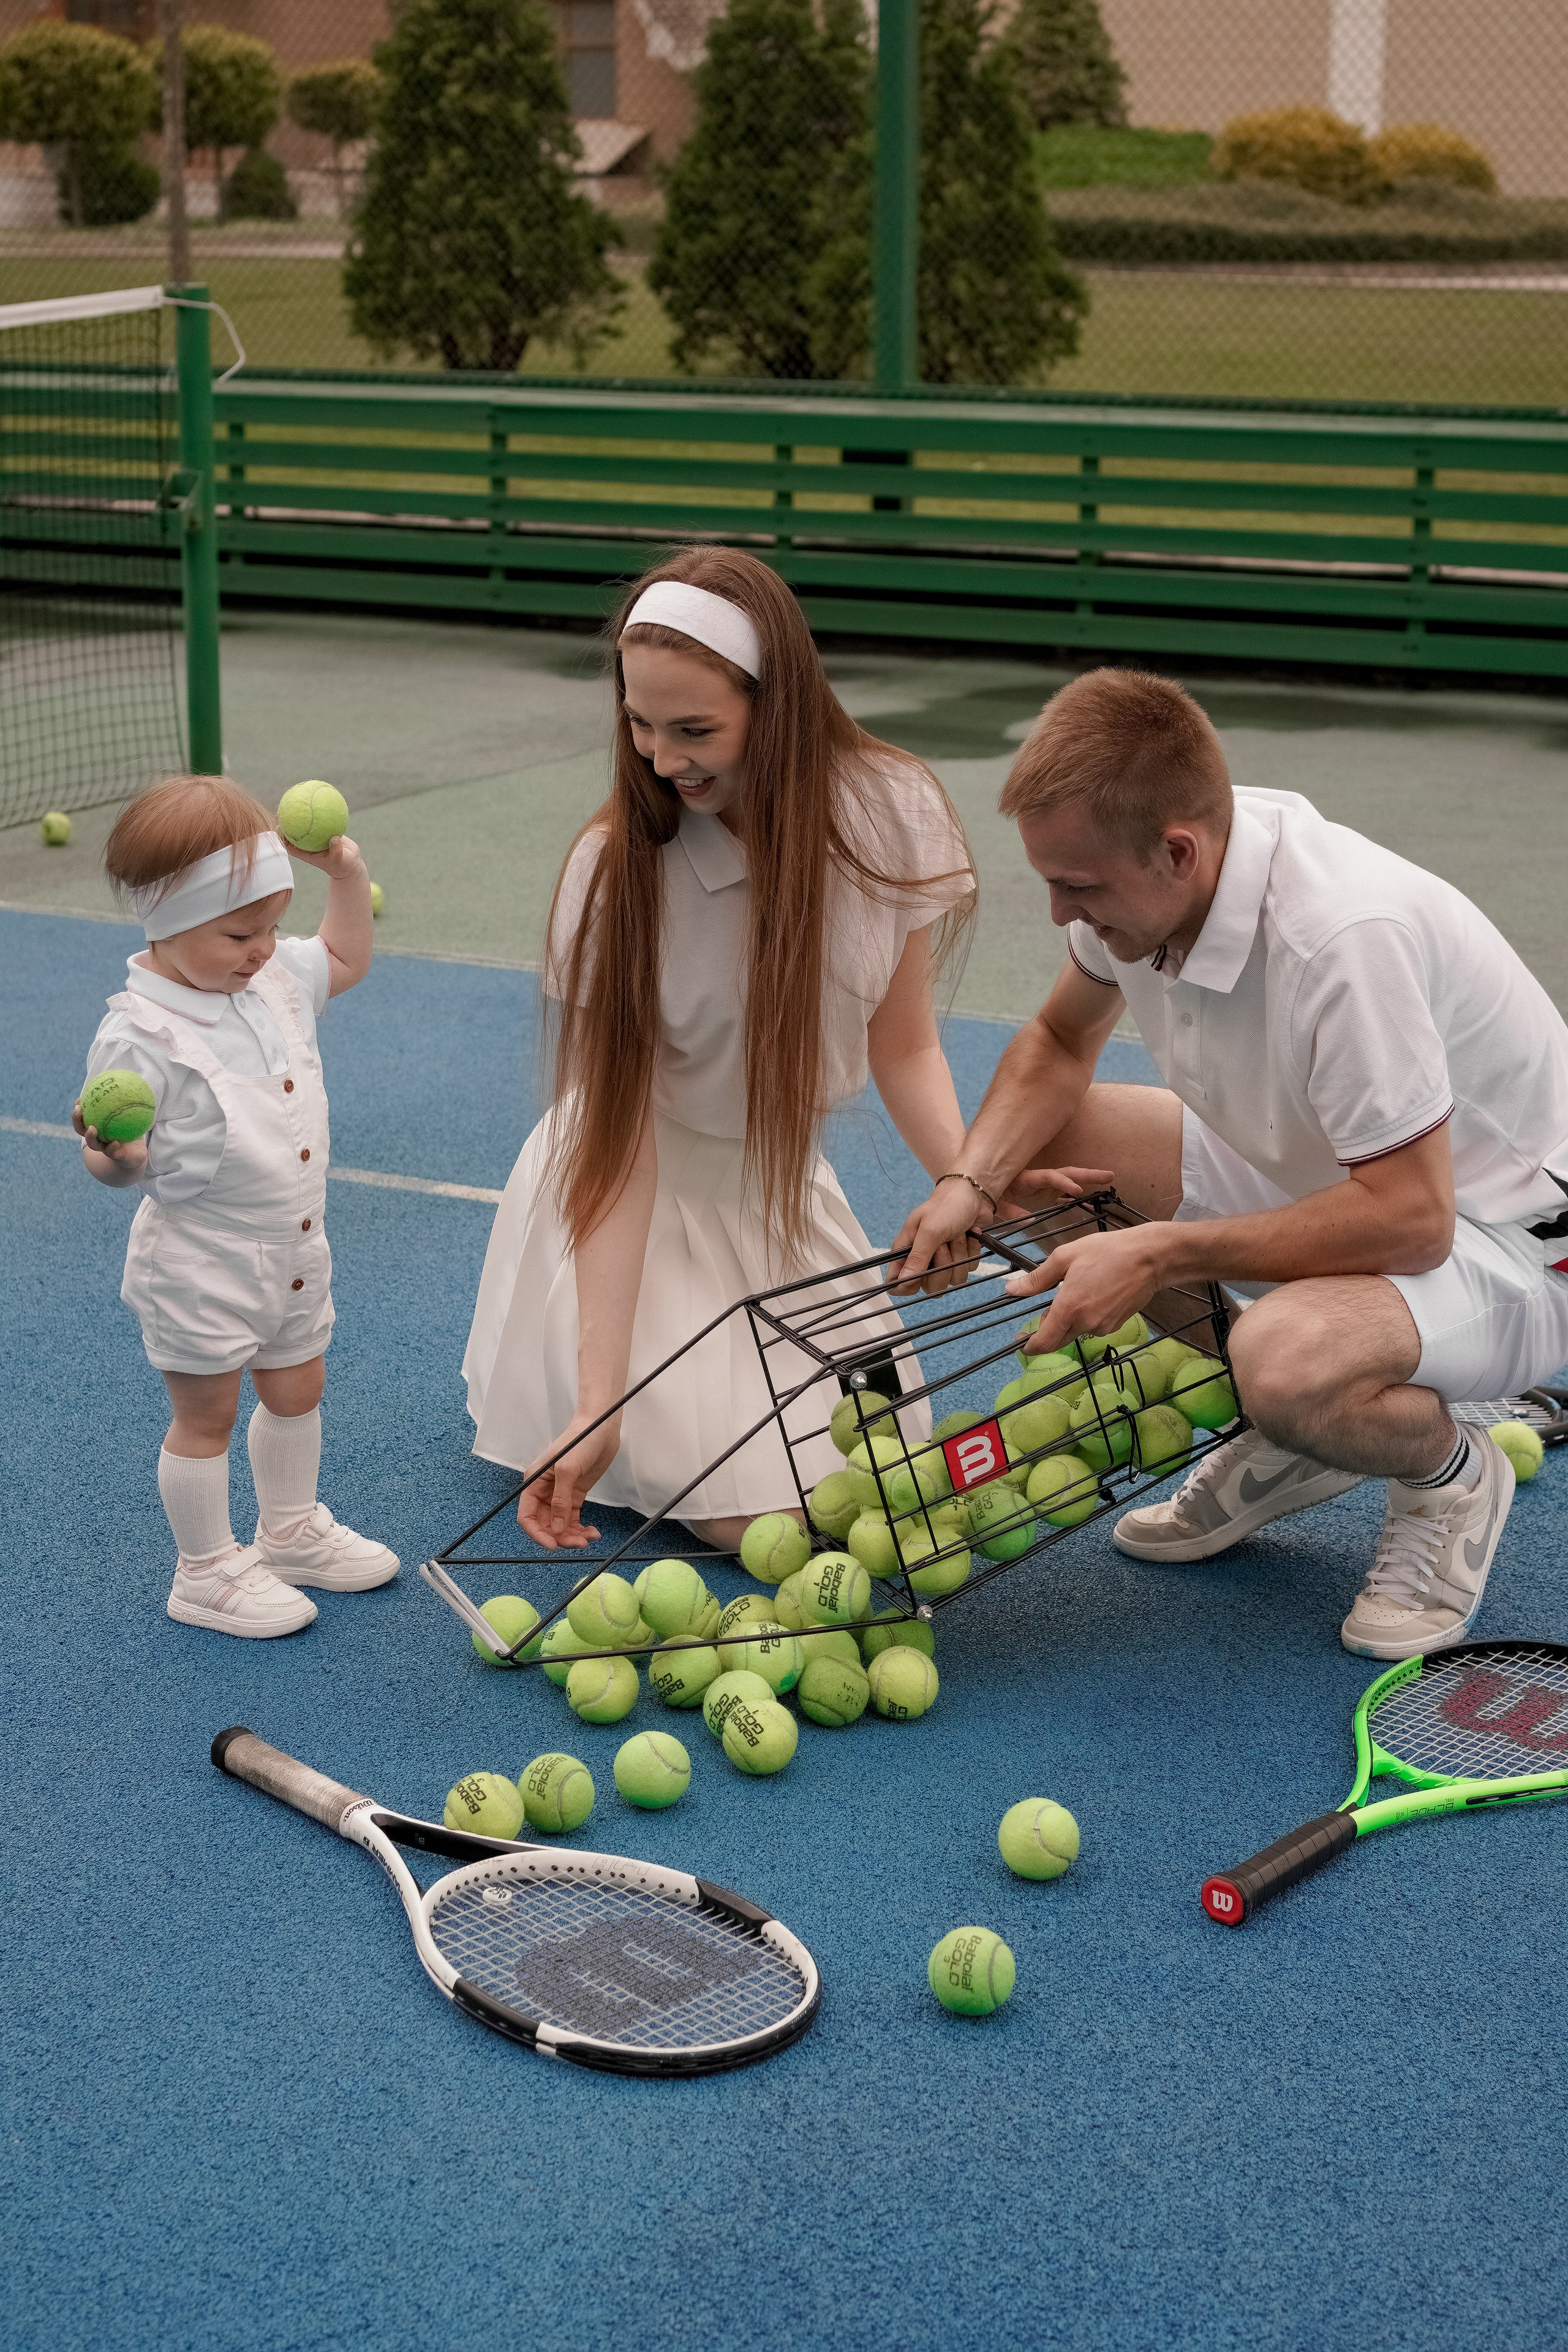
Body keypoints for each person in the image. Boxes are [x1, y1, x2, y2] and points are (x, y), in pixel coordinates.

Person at [892, 668, 1568, 1660]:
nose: (1056, 914)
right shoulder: (1156, 871)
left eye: (1076, 887)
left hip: (1507, 1242)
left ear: (1178, 852)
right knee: (1045, 1147)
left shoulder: (1342, 940)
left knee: (1283, 1358)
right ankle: (1302, 1430)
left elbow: (1414, 1220)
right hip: (1339, 1175)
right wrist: (971, 1179)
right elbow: (1056, 1044)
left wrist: (1160, 1253)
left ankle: (1446, 1471)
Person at [463, 548, 1054, 1554]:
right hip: (630, 1209)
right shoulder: (615, 878)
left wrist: (968, 1179)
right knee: (772, 1524)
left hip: (778, 1195)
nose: (660, 757)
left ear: (774, 704)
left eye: (695, 728)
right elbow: (617, 1150)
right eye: (639, 724)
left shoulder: (889, 808)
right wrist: (603, 1392)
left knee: (883, 1469)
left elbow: (904, 1044)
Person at [76, 775, 398, 1637]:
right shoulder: (139, 1032)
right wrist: (122, 1158)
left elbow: (343, 958)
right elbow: (111, 1166)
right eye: (239, 932)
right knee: (207, 1413)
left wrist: (344, 875)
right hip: (202, 1259)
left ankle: (289, 1533)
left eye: (269, 927)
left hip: (293, 1246)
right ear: (166, 920)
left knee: (298, 1385)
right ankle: (207, 1571)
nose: (263, 949)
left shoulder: (272, 978)